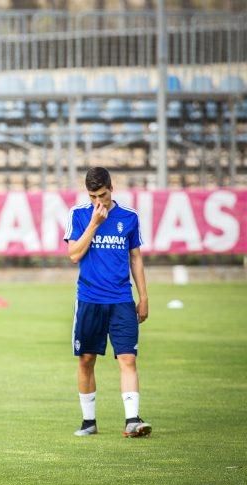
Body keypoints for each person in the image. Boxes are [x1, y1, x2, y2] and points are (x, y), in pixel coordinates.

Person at [64, 167, 151, 438]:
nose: (98, 202)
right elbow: (74, 255)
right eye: (93, 196)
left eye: (102, 195)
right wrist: (94, 224)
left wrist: (144, 296)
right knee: (86, 359)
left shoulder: (129, 217)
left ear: (111, 188)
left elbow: (135, 258)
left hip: (121, 299)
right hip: (89, 299)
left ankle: (132, 420)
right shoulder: (79, 215)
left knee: (128, 357)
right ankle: (88, 421)